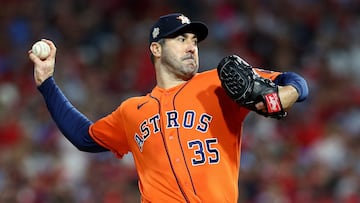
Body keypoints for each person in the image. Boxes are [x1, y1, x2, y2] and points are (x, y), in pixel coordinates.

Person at [28, 13, 308, 203]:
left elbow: (294, 82)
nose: (191, 47)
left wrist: (285, 94)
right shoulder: (132, 110)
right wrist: (47, 83)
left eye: (194, 41)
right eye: (181, 39)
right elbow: (84, 137)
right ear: (156, 49)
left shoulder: (217, 83)